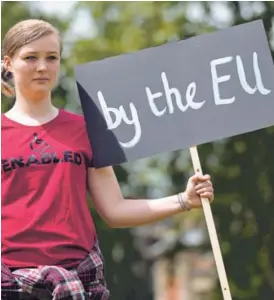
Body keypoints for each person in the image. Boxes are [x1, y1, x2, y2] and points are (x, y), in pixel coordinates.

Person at [1, 19, 214, 300]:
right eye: (31, 57)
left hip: (80, 280)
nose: (43, 67)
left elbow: (114, 210)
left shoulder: (86, 129)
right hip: (10, 283)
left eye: (51, 57)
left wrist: (184, 200)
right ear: (8, 63)